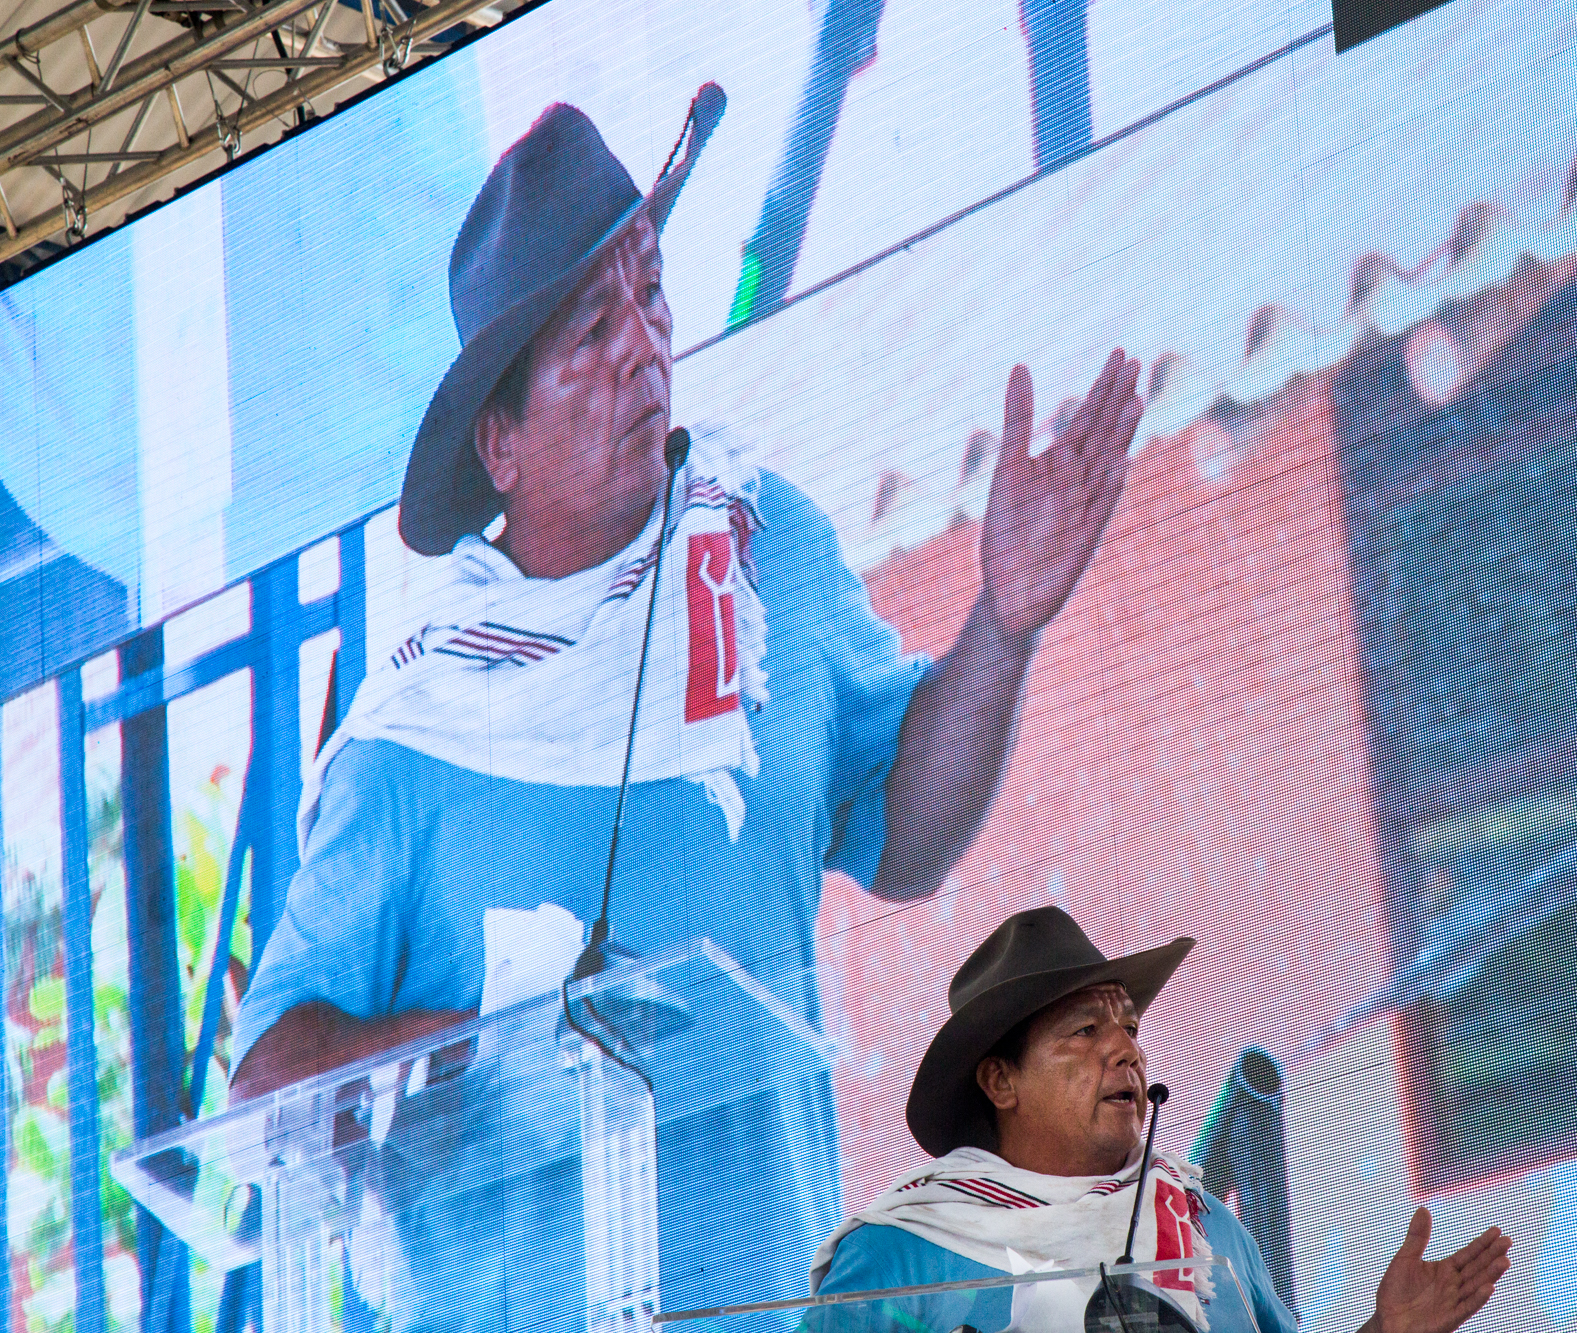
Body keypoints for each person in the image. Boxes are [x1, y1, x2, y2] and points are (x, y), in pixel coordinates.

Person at [229, 97, 1142, 1332]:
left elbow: (908, 837)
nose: (642, 348)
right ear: (498, 440)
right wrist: (478, 1052)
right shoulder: (409, 733)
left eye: (650, 295)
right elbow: (269, 1074)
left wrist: (1003, 621)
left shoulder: (768, 560)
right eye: (591, 328)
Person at [811, 907, 1513, 1333]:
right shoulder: (899, 1255)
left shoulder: (1206, 1227)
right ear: (1001, 1080)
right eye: (1085, 1030)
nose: (1126, 1048)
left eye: (1129, 1025)